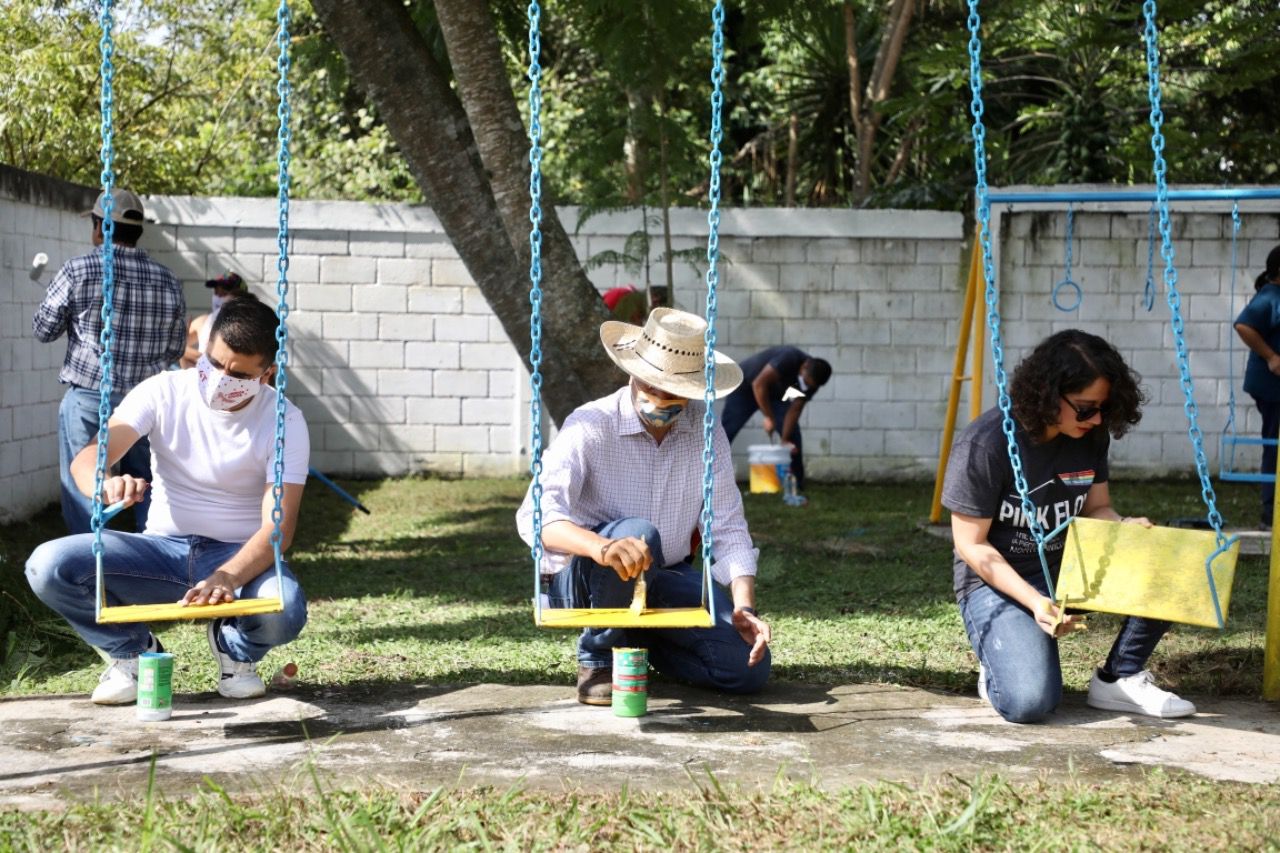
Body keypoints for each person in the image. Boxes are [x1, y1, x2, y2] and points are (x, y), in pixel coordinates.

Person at [25, 298, 309, 705]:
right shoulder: (164, 390)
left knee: (287, 609)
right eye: (213, 363)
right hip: (161, 549)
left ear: (266, 375)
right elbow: (88, 459)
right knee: (47, 565)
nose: (219, 379)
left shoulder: (286, 421)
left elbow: (278, 525)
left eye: (239, 374)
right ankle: (134, 654)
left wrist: (228, 576)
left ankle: (234, 647)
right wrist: (104, 484)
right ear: (204, 349)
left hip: (236, 557)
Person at [516, 307, 772, 705]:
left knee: (746, 669)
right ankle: (598, 656)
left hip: (662, 577)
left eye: (676, 393)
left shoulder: (706, 431)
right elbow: (536, 518)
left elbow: (728, 528)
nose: (661, 400)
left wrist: (744, 605)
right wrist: (602, 549)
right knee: (638, 534)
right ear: (632, 374)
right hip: (584, 578)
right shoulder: (590, 424)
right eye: (651, 385)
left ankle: (635, 640)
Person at [942, 329, 1195, 723]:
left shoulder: (1090, 436)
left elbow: (1098, 508)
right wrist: (1034, 603)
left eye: (1102, 408)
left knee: (1166, 557)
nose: (1096, 420)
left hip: (1069, 566)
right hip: (999, 582)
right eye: (1084, 408)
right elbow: (972, 546)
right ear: (1047, 395)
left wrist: (1124, 526)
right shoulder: (986, 444)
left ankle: (1119, 676)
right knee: (1029, 701)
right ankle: (999, 661)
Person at [33, 188, 186, 535]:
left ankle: (92, 571)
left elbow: (43, 330)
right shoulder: (168, 279)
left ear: (100, 228)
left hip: (89, 400)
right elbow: (175, 347)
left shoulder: (77, 270)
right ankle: (151, 563)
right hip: (146, 403)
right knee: (148, 487)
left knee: (86, 488)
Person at [720, 346, 832, 493]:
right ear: (805, 366)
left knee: (793, 436)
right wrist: (769, 417)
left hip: (775, 394)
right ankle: (707, 477)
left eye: (809, 385)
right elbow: (759, 384)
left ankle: (795, 483)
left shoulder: (813, 383)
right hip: (746, 387)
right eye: (805, 380)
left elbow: (794, 410)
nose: (805, 385)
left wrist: (785, 439)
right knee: (725, 432)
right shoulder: (789, 357)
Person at [1232, 244, 1280, 528]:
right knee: (1274, 445)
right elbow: (1243, 325)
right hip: (1272, 389)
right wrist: (1271, 357)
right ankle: (1269, 512)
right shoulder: (1269, 297)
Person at [182, 272, 250, 369]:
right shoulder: (202, 321)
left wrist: (186, 353)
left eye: (224, 293)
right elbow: (176, 348)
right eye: (216, 292)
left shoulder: (249, 326)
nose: (218, 298)